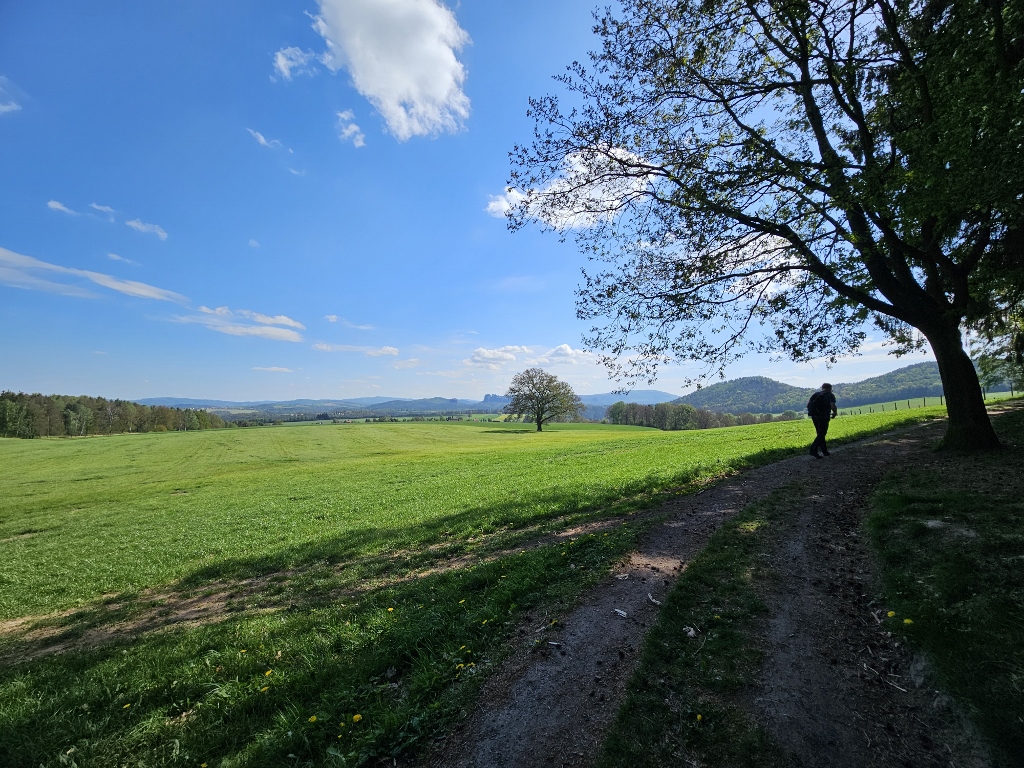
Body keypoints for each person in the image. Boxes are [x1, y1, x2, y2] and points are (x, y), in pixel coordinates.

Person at [807, 383, 838, 458]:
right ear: (830, 388)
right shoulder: (830, 395)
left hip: (814, 416)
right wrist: (835, 413)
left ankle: (824, 451)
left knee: (820, 434)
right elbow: (832, 405)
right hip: (824, 416)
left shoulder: (816, 394)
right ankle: (813, 450)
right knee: (822, 434)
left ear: (822, 388)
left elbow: (808, 405)